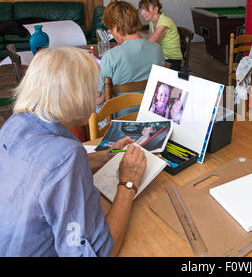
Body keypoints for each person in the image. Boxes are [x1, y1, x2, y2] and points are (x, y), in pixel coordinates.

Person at [0, 47, 147, 256]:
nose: (99, 99)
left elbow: (45, 172)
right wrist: (128, 183)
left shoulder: (14, 124)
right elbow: (101, 251)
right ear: (73, 96)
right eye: (93, 91)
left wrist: (107, 155)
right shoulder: (68, 155)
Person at [96, 0, 165, 116]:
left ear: (117, 28)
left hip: (118, 117)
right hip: (150, 115)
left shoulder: (110, 56)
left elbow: (99, 94)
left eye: (110, 30)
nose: (111, 34)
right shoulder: (157, 49)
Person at [139, 0, 183, 71]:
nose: (142, 13)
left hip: (171, 60)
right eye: (141, 10)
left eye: (145, 10)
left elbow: (149, 44)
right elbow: (149, 37)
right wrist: (133, 33)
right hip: (161, 56)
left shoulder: (164, 23)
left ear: (156, 9)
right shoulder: (152, 22)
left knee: (139, 63)